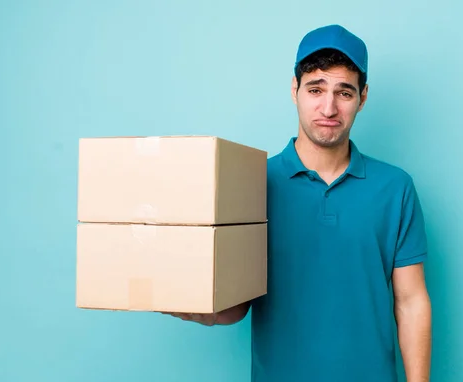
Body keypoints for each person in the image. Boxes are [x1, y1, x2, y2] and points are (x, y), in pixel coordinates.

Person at [166, 24, 432, 382]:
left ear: (363, 97)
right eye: (316, 89)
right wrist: (202, 307)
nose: (329, 107)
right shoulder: (249, 183)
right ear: (295, 90)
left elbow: (411, 302)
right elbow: (237, 305)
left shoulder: (395, 188)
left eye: (344, 93)